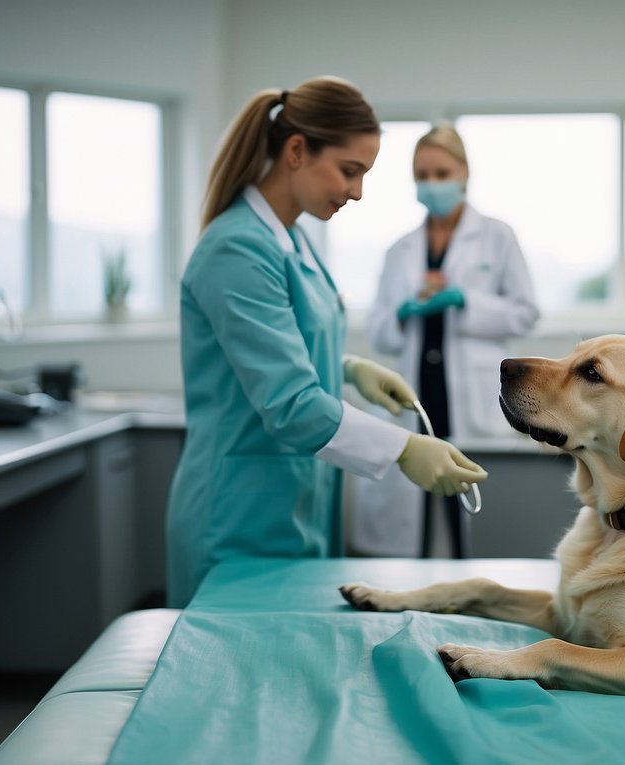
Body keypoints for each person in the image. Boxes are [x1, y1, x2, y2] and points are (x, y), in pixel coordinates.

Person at [165, 78, 488, 607]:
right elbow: (289, 402)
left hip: (292, 505)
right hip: (238, 514)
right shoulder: (237, 250)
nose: (356, 191)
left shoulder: (291, 239)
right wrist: (403, 448)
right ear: (297, 151)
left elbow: (275, 347)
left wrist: (346, 367)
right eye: (349, 170)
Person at [352, 124, 539, 558]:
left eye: (441, 172)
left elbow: (525, 313)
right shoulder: (400, 249)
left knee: (474, 530)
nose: (431, 183)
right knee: (416, 528)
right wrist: (402, 313)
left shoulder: (497, 236)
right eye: (422, 174)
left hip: (473, 404)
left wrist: (463, 302)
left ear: (464, 172)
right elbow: (379, 331)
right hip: (417, 398)